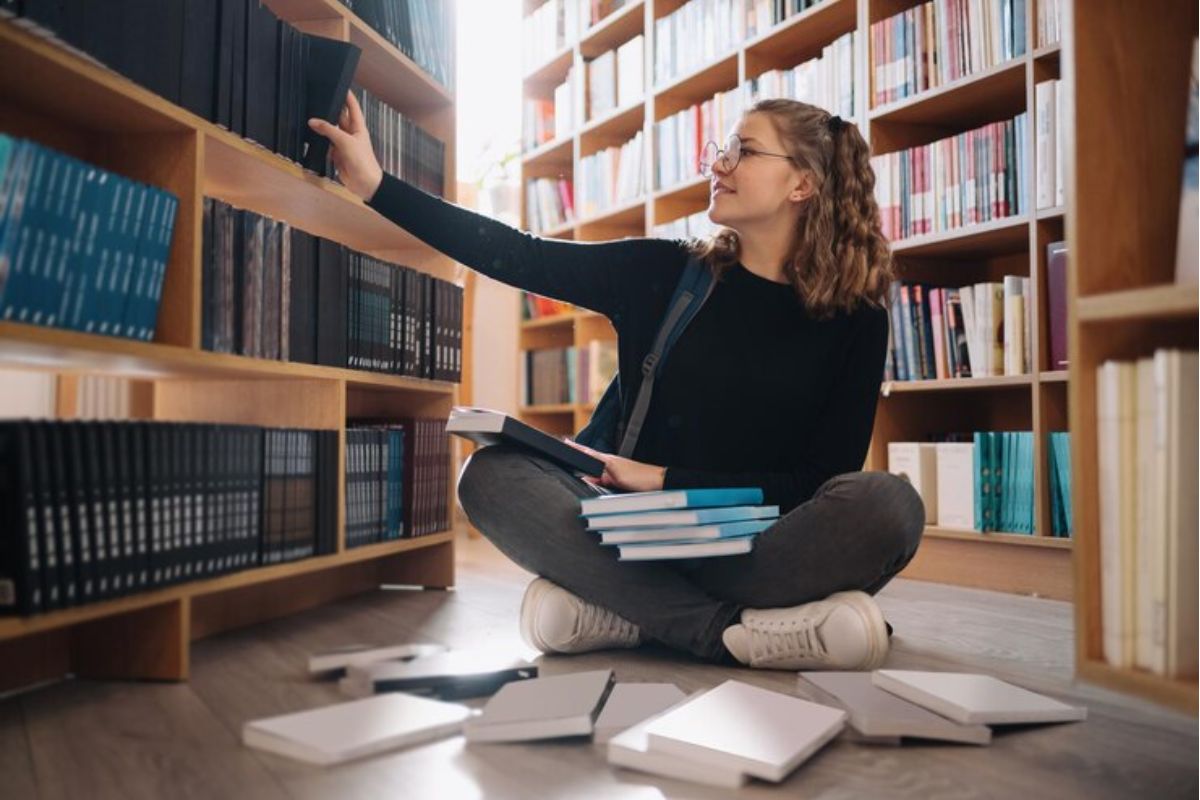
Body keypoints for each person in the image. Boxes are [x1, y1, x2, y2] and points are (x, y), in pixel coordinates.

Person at [308, 93, 925, 671]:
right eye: (722, 149)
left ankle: (625, 612)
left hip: (756, 549)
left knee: (889, 506)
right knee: (490, 475)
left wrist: (664, 479)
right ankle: (723, 632)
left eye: (743, 150)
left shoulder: (858, 317)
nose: (719, 163)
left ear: (803, 184)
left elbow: (819, 483)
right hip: (634, 533)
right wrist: (377, 186)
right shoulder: (665, 272)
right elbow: (518, 254)